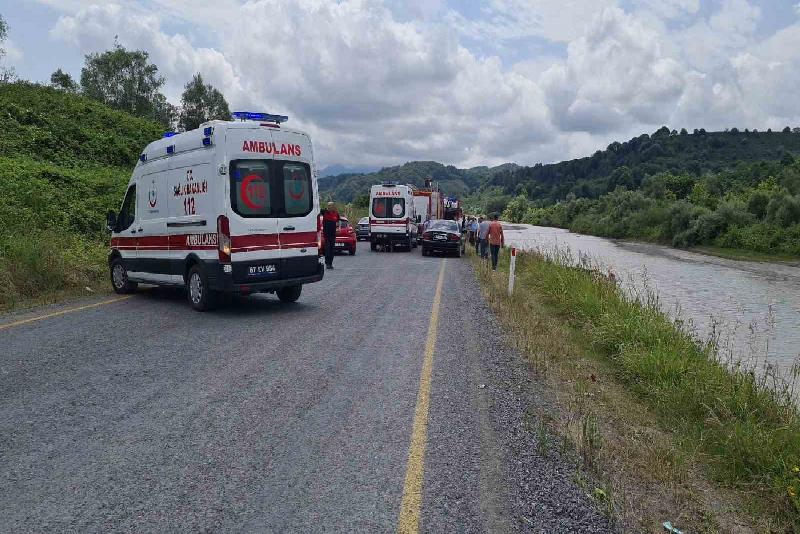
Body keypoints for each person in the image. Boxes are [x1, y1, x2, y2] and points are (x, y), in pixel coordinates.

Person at [321, 201, 340, 269]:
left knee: (332, 249)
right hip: (326, 235)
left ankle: (330, 263)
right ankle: (327, 263)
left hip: (333, 235)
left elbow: (337, 223)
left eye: (330, 205)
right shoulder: (324, 212)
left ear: (333, 206)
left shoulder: (336, 214)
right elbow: (318, 210)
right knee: (327, 249)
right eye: (328, 205)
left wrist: (337, 229)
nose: (329, 207)